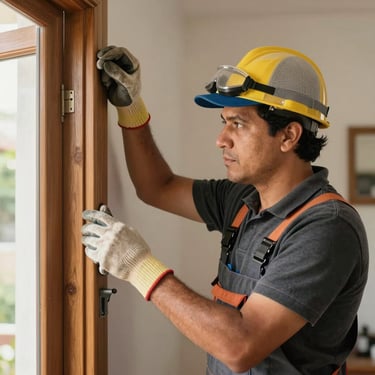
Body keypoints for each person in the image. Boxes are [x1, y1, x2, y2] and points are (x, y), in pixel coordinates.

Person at [81, 45, 369, 375]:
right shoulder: (241, 200)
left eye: (238, 123)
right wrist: (131, 106)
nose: (221, 139)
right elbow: (157, 187)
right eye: (224, 121)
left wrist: (137, 265)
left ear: (289, 135)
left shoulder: (327, 227)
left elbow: (240, 345)